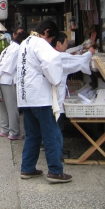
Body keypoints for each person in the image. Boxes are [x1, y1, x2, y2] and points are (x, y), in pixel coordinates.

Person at [16, 18, 72, 183]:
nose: (52, 42)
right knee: (51, 134)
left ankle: (27, 167)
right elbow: (51, 61)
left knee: (33, 134)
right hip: (41, 97)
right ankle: (55, 170)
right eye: (52, 39)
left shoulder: (25, 42)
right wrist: (56, 80)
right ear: (47, 33)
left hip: (26, 96)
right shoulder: (40, 43)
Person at [51, 32, 95, 158]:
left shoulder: (55, 54)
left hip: (54, 95)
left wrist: (82, 48)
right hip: (56, 95)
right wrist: (90, 52)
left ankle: (56, 150)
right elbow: (79, 60)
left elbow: (70, 53)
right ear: (58, 43)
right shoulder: (60, 56)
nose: (66, 45)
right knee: (57, 125)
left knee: (55, 124)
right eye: (65, 42)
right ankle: (57, 152)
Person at [0, 28, 28, 140]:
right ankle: (14, 132)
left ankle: (4, 129)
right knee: (12, 107)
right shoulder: (17, 48)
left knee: (3, 106)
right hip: (8, 80)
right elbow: (9, 64)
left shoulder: (9, 47)